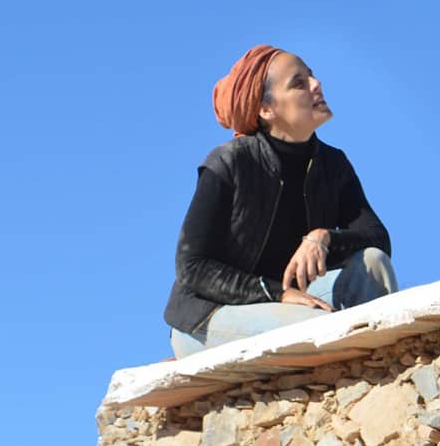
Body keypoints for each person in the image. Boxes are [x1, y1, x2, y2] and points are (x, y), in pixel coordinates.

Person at [163, 45, 398, 357]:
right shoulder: (230, 162)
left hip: (297, 305)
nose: (316, 85)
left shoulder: (333, 163)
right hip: (209, 317)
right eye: (299, 83)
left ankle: (384, 370)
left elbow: (377, 239)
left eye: (313, 76)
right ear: (265, 109)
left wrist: (323, 238)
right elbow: (192, 267)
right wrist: (277, 293)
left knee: (373, 263)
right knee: (315, 325)